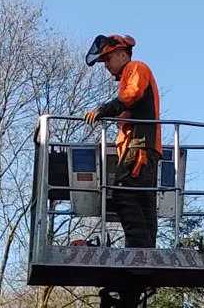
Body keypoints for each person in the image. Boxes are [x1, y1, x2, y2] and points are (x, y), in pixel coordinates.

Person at [84, 33, 160, 249]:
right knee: (142, 201)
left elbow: (132, 93)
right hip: (141, 145)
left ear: (121, 53)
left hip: (140, 144)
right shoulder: (130, 73)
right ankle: (145, 255)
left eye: (108, 59)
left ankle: (139, 253)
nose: (106, 65)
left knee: (122, 192)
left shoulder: (135, 68)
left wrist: (105, 109)